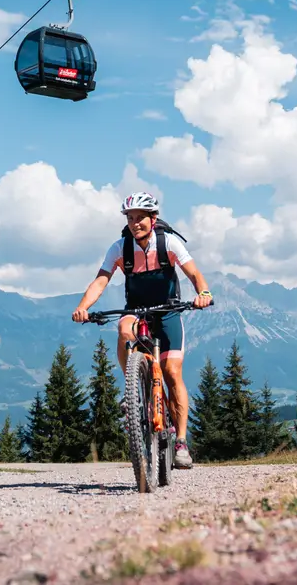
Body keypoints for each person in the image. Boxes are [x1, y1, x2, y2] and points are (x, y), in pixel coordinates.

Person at [72, 192, 213, 469]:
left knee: (172, 373)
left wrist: (204, 293)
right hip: (136, 310)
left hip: (168, 310)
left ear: (153, 219)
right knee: (124, 329)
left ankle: (181, 442)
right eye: (130, 218)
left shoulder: (168, 242)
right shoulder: (120, 248)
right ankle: (132, 388)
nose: (135, 223)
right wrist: (83, 307)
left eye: (140, 218)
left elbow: (194, 273)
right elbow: (101, 280)